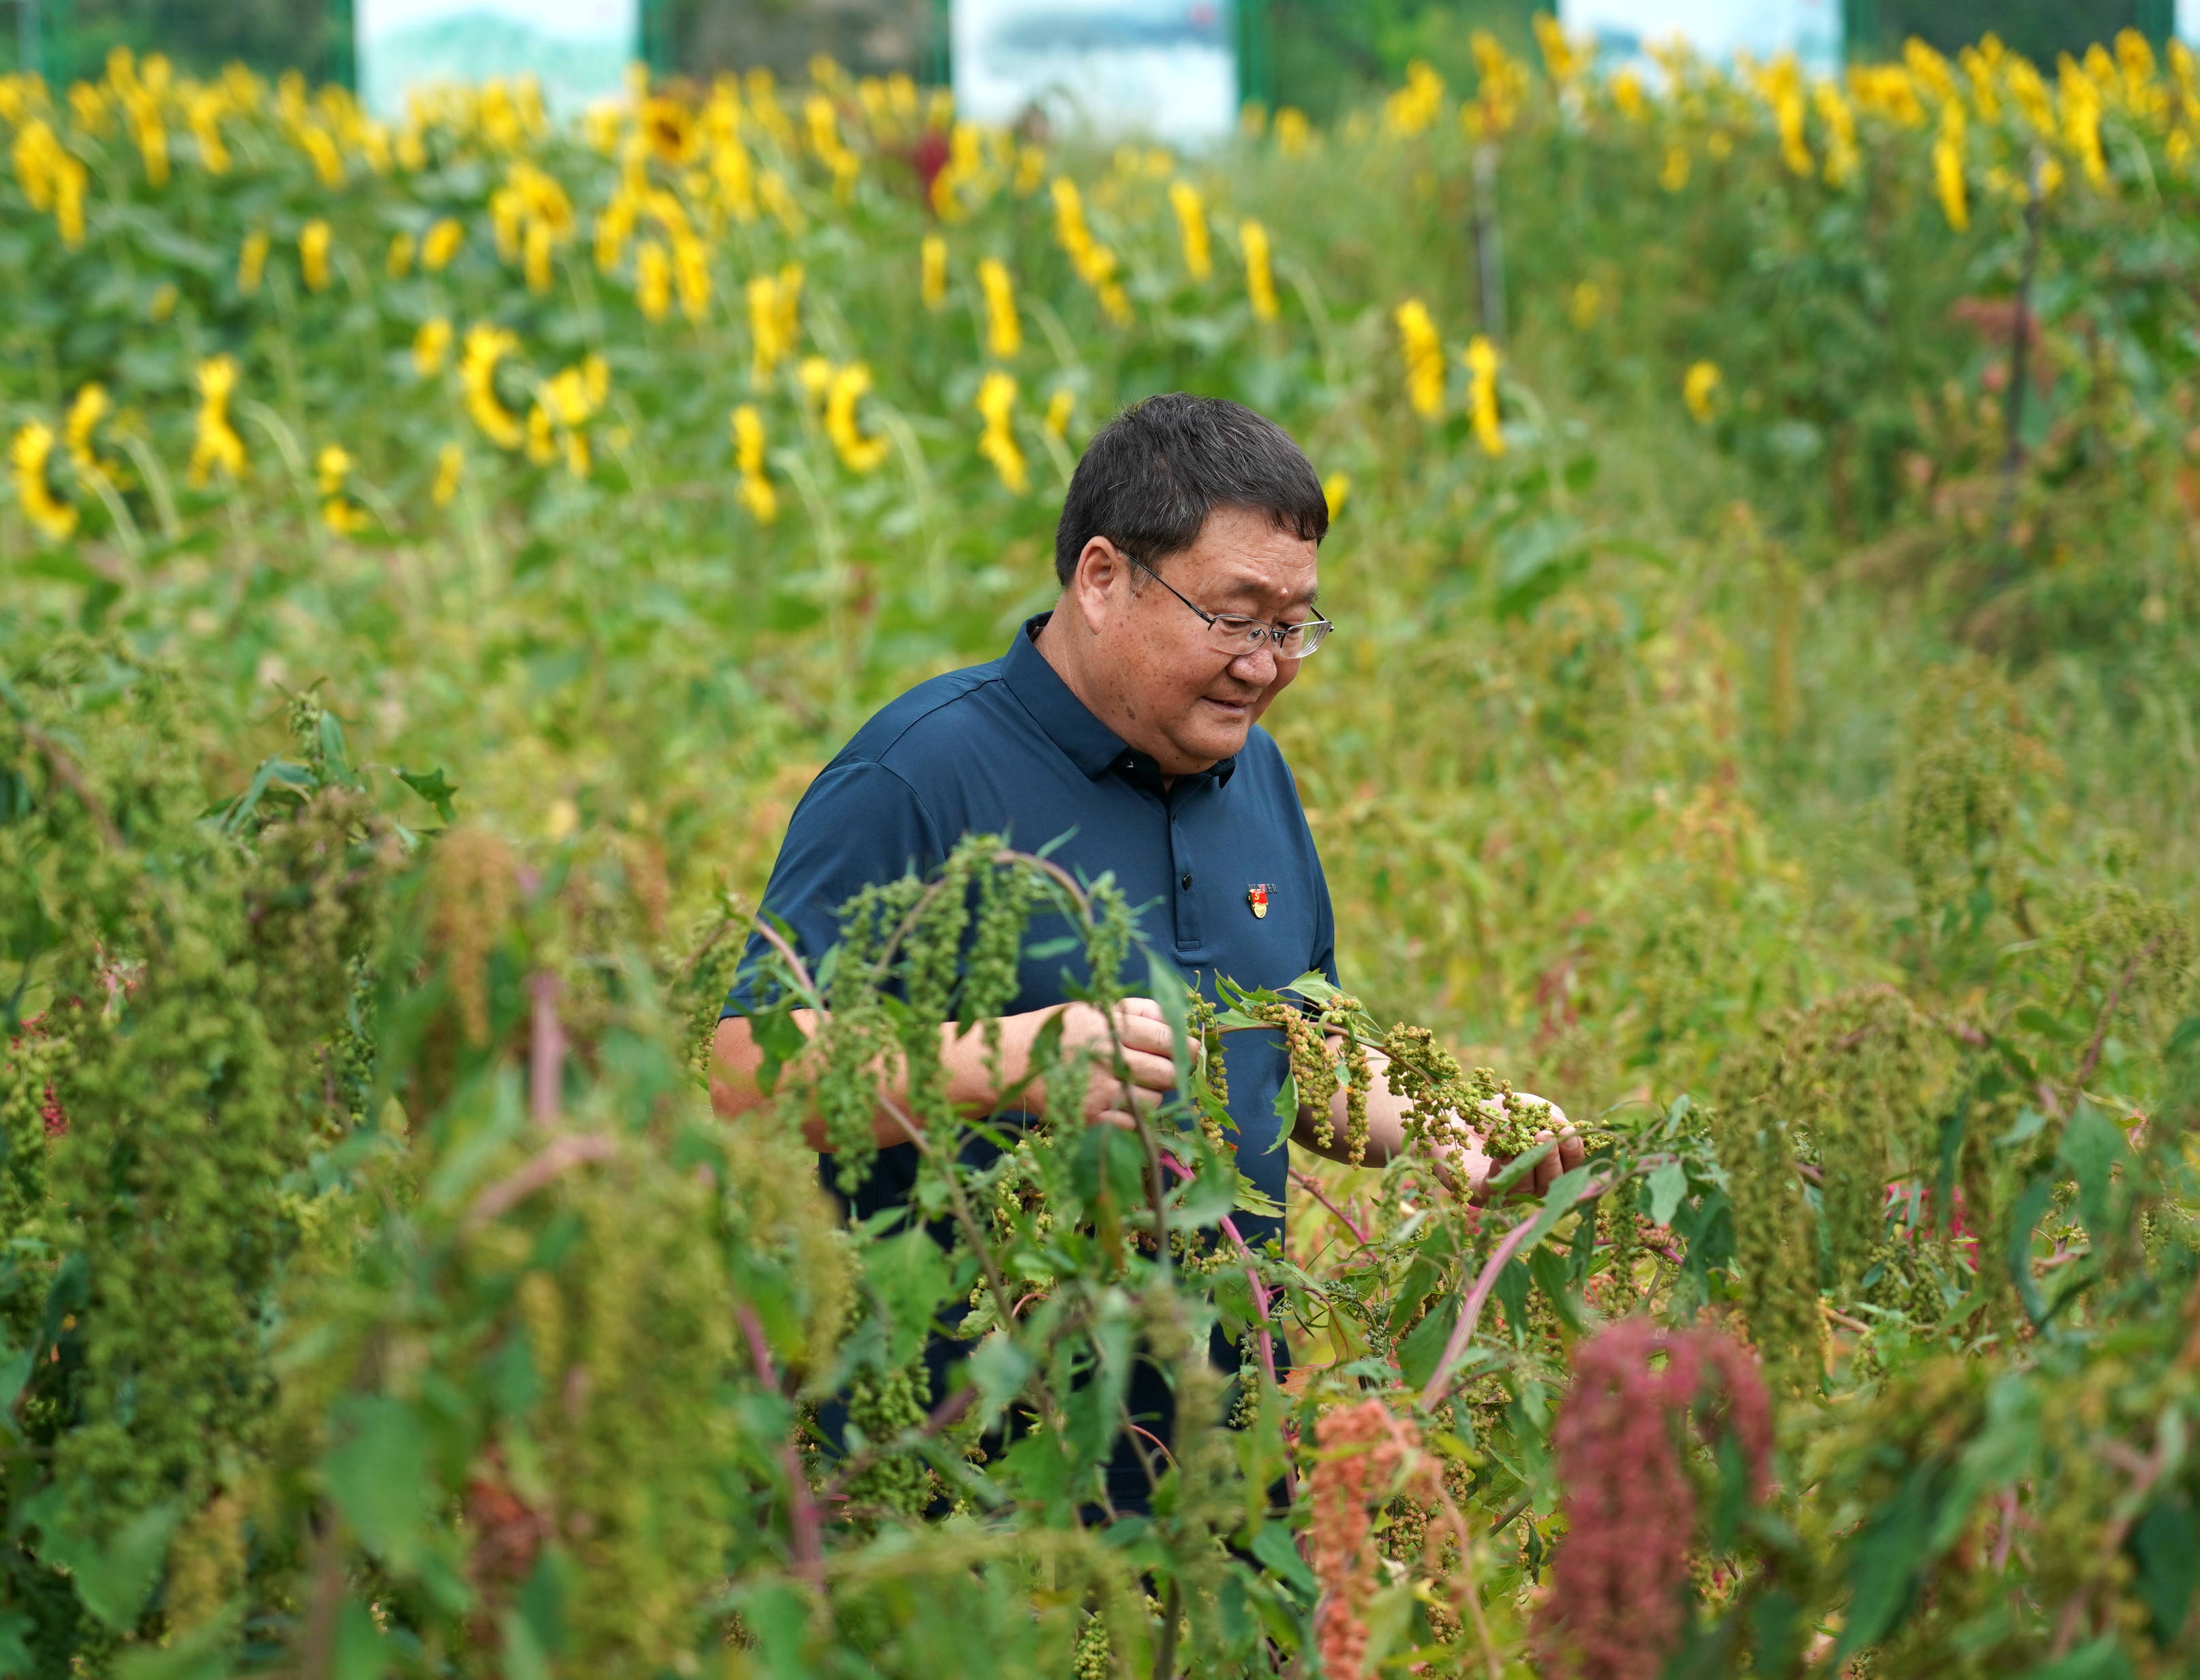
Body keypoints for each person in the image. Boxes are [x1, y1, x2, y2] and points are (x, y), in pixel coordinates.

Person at [711, 392, 1581, 1507]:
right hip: (954, 1493)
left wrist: (1454, 1126)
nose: (1266, 666)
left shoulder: (1252, 773)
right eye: (1235, 617)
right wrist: (1012, 1059)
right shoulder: (918, 776)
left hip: (1215, 1487)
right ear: (1102, 577)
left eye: (1293, 625)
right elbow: (747, 1072)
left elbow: (1288, 1053)